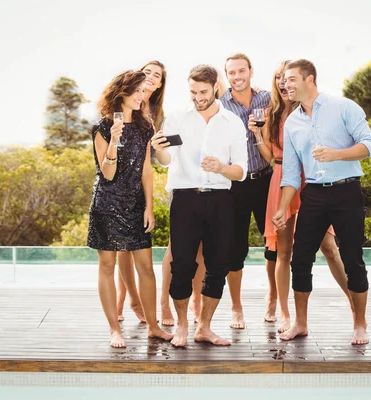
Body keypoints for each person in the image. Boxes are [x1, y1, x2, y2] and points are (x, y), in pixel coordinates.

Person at [272, 59, 371, 345]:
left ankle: (359, 324)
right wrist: (282, 208)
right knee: (300, 260)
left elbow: (370, 145)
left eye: (292, 79)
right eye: (284, 80)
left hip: (347, 192)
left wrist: (337, 154)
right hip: (314, 195)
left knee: (353, 260)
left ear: (310, 79)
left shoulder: (343, 107)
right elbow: (292, 173)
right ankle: (301, 323)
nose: (286, 84)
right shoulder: (292, 122)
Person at [151, 64, 247, 347]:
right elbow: (167, 160)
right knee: (182, 264)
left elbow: (240, 171)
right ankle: (182, 326)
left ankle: (204, 327)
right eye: (193, 91)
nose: (197, 97)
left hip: (220, 198)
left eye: (203, 91)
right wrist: (159, 150)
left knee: (218, 266)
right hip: (185, 197)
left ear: (216, 87)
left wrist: (221, 167)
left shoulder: (232, 123)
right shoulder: (178, 119)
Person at [255, 61, 354, 332]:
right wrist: (257, 135)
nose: (283, 83)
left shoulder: (311, 109)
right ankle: (286, 314)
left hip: (311, 179)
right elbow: (271, 157)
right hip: (282, 180)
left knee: (329, 248)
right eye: (278, 78)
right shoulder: (271, 114)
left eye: (287, 78)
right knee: (283, 253)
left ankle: (353, 302)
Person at [87, 70, 173, 348]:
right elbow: (107, 173)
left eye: (142, 91)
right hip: (108, 204)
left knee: (146, 268)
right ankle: (114, 329)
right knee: (107, 266)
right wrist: (113, 141)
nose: (141, 96)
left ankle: (154, 327)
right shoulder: (102, 127)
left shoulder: (145, 126)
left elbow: (147, 170)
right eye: (136, 92)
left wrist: (149, 207)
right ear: (122, 93)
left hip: (136, 204)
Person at [220, 53, 275, 329]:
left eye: (242, 70)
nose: (237, 76)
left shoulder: (267, 99)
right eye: (232, 72)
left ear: (251, 71)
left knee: (273, 244)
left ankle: (273, 299)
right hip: (236, 186)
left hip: (266, 180)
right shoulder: (220, 106)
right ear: (226, 75)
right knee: (234, 248)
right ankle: (236, 308)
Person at [115, 60, 168, 323]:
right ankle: (128, 300)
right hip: (117, 183)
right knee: (121, 249)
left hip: (141, 179)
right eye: (147, 72)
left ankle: (132, 301)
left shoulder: (157, 114)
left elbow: (153, 156)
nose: (150, 77)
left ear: (160, 84)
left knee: (135, 246)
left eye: (156, 75)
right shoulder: (125, 104)